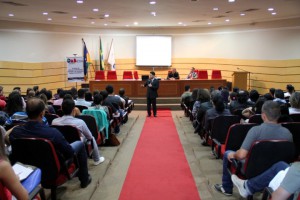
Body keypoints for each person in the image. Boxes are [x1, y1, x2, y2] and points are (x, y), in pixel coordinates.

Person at [8, 98, 92, 188]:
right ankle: (84, 179)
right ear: (42, 113)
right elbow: (69, 152)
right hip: (50, 171)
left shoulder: (15, 132)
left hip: (26, 169)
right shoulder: (53, 133)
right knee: (80, 144)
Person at [214, 101, 293, 196]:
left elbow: (241, 155)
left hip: (252, 168)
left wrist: (233, 154)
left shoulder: (255, 131)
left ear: (263, 116)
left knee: (227, 153)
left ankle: (226, 188)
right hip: (276, 170)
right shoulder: (287, 133)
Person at [52, 98, 105, 166]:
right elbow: (89, 136)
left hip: (62, 145)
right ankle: (97, 159)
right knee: (92, 138)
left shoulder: (54, 121)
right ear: (74, 110)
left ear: (61, 109)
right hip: (77, 144)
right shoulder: (80, 122)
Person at [0, 132, 28, 200]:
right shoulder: (3, 166)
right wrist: (15, 180)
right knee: (37, 187)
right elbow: (24, 197)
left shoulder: (16, 131)